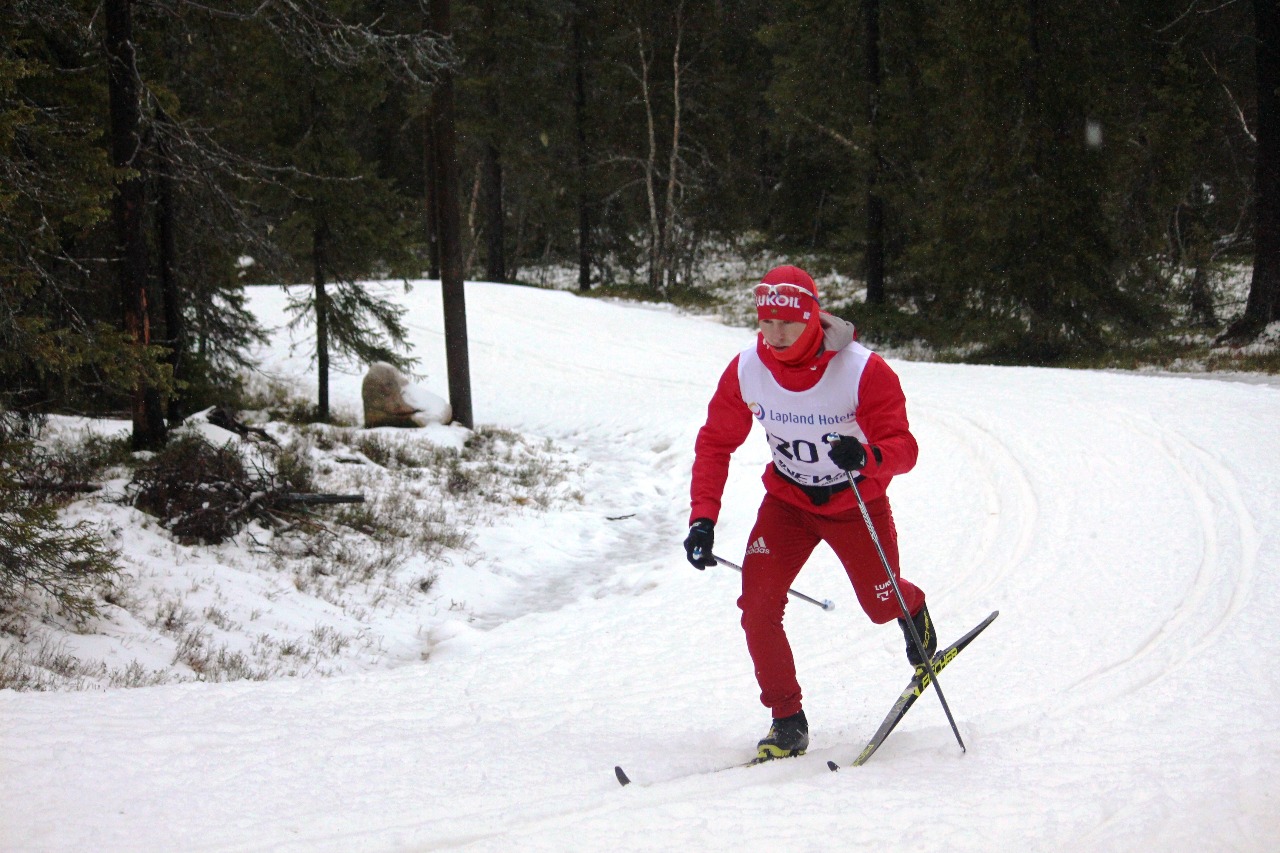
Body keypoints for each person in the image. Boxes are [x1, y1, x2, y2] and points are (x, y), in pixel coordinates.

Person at [682, 264, 935, 762]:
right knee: (757, 605)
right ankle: (787, 720)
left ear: (814, 319)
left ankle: (912, 610)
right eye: (767, 322)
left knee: (879, 603)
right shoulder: (747, 369)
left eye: (789, 324)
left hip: (854, 503)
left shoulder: (863, 370)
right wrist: (702, 518)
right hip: (788, 504)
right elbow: (715, 443)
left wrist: (866, 457)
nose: (776, 335)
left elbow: (904, 446)